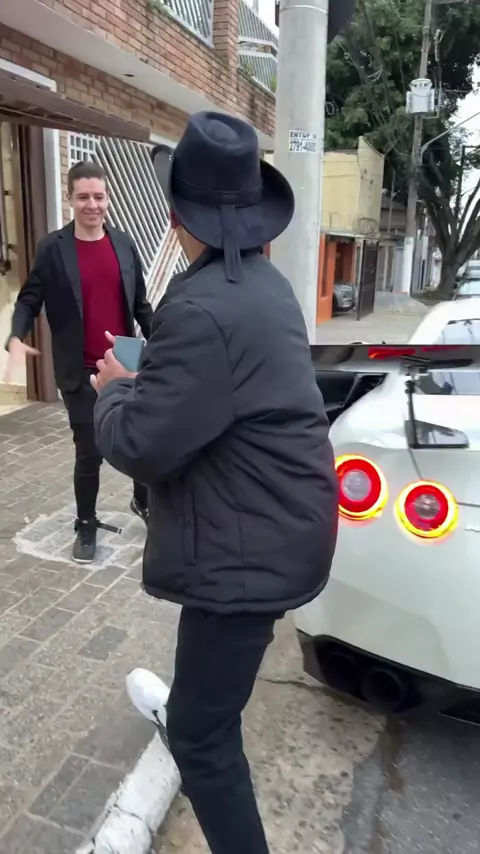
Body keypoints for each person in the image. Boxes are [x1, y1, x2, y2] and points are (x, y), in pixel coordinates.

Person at [92, 112, 339, 854]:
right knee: (208, 705)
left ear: (176, 218)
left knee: (203, 741)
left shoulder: (200, 306)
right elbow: (211, 398)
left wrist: (114, 386)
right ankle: (191, 701)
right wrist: (153, 376)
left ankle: (193, 717)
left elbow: (141, 444)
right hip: (273, 531)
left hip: (247, 552)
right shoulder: (263, 286)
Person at [5, 161, 153, 564]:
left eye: (98, 196)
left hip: (125, 358)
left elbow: (140, 305)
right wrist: (16, 336)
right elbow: (29, 299)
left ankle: (143, 501)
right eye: (83, 196)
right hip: (80, 366)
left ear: (108, 199)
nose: (92, 204)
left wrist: (165, 343)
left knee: (140, 435)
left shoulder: (124, 244)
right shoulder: (53, 248)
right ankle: (85, 523)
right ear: (70, 198)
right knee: (90, 448)